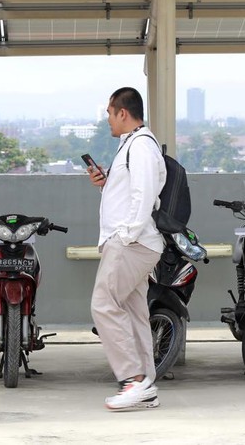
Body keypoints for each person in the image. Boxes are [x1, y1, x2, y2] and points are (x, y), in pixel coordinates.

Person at [86, 87, 166, 410]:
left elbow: (144, 195)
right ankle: (146, 384)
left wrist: (126, 236)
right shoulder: (129, 146)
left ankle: (133, 380)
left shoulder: (142, 146)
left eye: (109, 112)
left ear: (123, 113)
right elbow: (129, 193)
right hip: (133, 240)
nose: (107, 118)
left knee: (103, 304)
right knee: (133, 313)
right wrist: (106, 183)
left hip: (133, 242)